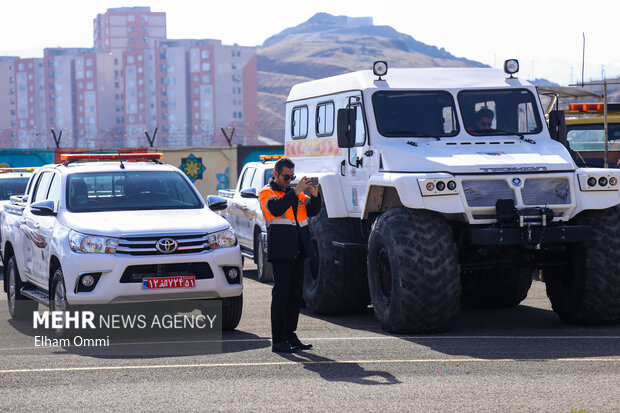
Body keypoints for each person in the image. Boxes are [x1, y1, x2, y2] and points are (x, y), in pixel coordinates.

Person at [259, 157, 321, 353]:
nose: (289, 180)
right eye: (286, 177)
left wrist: (315, 193)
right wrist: (295, 191)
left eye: (292, 177)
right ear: (275, 174)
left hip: (298, 248)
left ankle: (290, 335)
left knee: (294, 296)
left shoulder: (295, 193)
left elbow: (313, 210)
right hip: (281, 249)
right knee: (281, 295)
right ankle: (278, 340)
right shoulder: (266, 192)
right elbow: (275, 209)